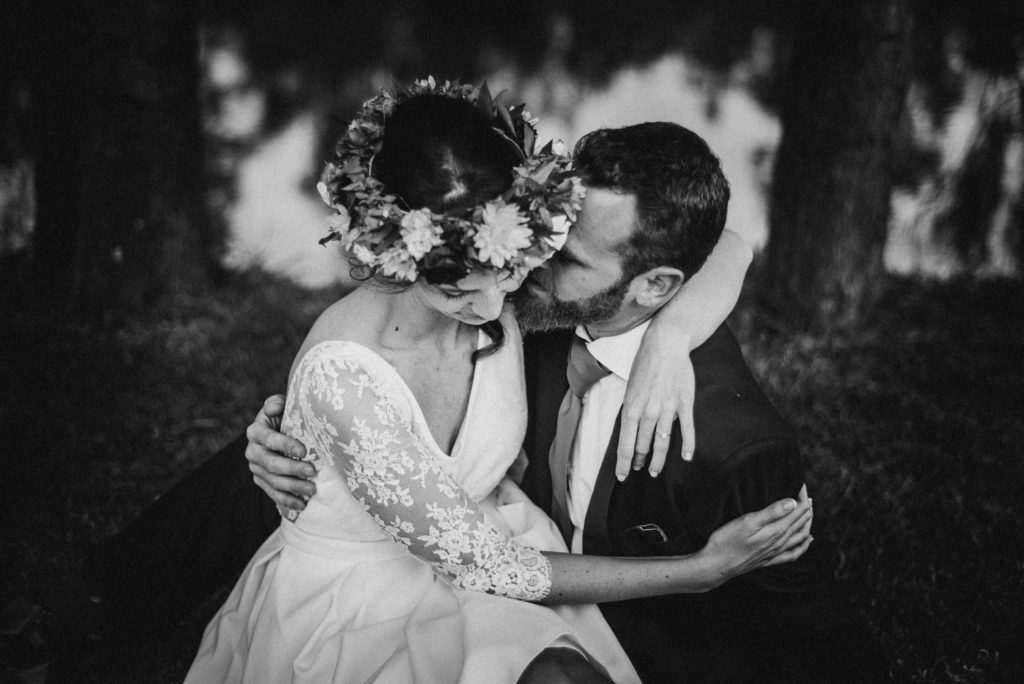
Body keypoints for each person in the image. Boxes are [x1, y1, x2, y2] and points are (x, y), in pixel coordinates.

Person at [183, 83, 813, 684]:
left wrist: (671, 338)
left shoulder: (511, 256)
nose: (491, 308)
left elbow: (722, 241)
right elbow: (486, 564)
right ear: (393, 260)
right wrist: (699, 570)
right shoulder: (348, 377)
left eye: (511, 269)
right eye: (455, 289)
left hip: (495, 549)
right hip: (367, 604)